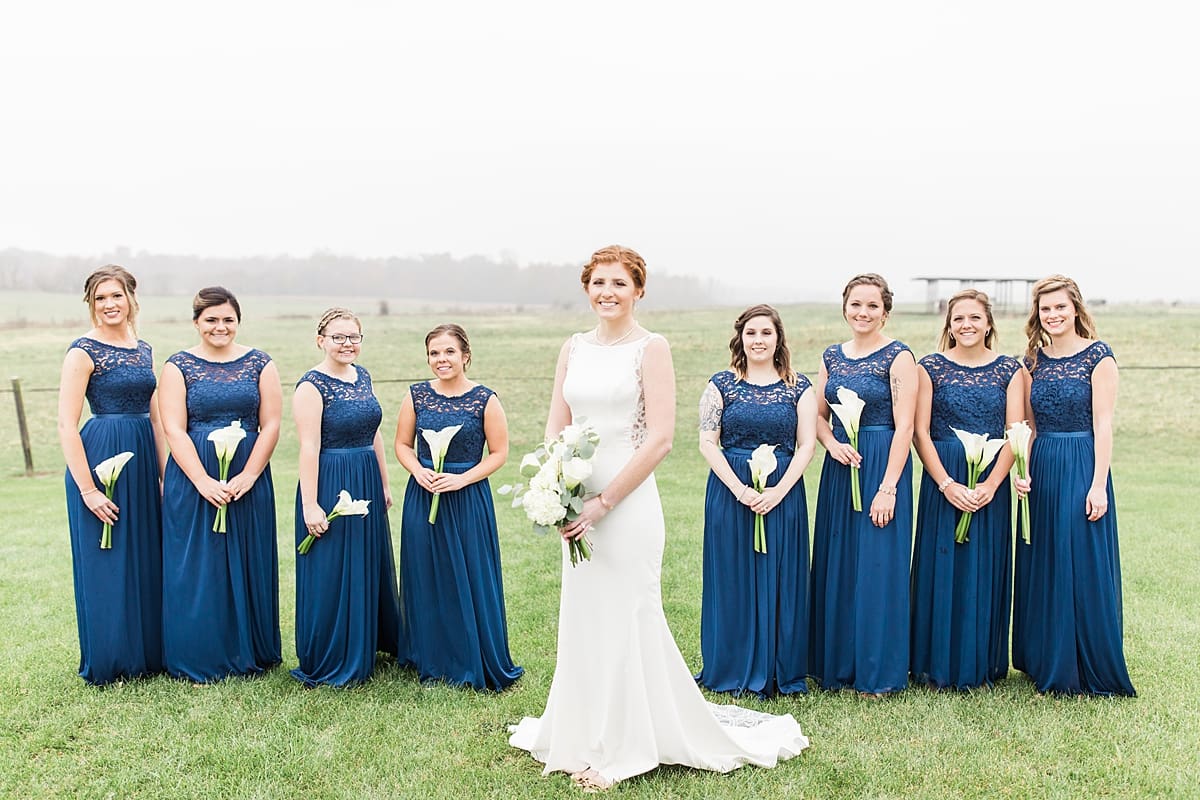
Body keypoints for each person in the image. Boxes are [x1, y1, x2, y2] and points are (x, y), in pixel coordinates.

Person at [509, 246, 809, 792]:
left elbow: (662, 438)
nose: (608, 292)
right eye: (598, 282)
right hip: (576, 498)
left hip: (627, 502)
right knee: (584, 615)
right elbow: (558, 421)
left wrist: (604, 502)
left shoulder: (652, 348)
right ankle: (580, 731)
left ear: (639, 290)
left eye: (620, 283)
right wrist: (556, 488)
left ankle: (627, 745)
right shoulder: (571, 347)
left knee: (628, 613)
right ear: (587, 288)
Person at [1011, 275, 1135, 696]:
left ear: (1076, 309)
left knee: (1080, 558)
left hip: (1083, 462)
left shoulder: (1098, 357)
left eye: (1060, 307)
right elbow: (1025, 424)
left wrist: (1098, 484)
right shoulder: (1032, 362)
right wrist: (1021, 471)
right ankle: (1045, 657)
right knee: (1043, 557)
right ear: (1038, 315)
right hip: (1043, 464)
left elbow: (1103, 424)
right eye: (1046, 309)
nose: (1053, 315)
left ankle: (1086, 663)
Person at [159, 287, 282, 682]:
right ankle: (200, 653)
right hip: (193, 477)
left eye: (228, 319)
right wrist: (202, 481)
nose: (220, 326)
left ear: (238, 321)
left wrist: (249, 474)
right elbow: (174, 429)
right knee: (197, 566)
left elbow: (272, 424)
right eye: (211, 319)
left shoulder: (261, 363)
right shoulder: (178, 366)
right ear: (196, 322)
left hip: (249, 476)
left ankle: (252, 650)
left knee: (249, 560)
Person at [694, 304, 817, 697]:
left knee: (780, 576)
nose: (759, 340)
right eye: (751, 333)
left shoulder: (799, 387)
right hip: (730, 492)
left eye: (766, 332)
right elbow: (707, 442)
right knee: (731, 578)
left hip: (784, 492)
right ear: (740, 338)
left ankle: (780, 668)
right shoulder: (720, 385)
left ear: (778, 338)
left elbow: (806, 445)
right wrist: (739, 489)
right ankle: (729, 664)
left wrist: (778, 491)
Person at [393, 323, 523, 691]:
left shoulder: (485, 399)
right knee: (426, 572)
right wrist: (418, 470)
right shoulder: (416, 396)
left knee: (468, 574)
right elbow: (402, 444)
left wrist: (462, 480)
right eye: (434, 353)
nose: (441, 359)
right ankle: (429, 654)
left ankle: (470, 655)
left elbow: (499, 453)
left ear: (465, 355)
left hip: (467, 496)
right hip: (424, 493)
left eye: (449, 352)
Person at [809, 273, 917, 697]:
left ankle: (879, 670)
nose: (863, 312)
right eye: (856, 304)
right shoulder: (831, 357)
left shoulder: (898, 356)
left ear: (885, 311)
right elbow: (817, 415)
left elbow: (905, 425)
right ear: (845, 308)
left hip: (881, 464)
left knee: (878, 566)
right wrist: (832, 443)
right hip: (841, 468)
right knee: (839, 563)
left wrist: (888, 486)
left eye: (872, 306)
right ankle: (835, 666)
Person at [909, 290, 1023, 690]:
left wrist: (992, 484)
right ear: (949, 326)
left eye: (975, 318)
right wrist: (945, 482)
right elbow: (920, 432)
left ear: (988, 323)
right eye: (958, 319)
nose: (967, 325)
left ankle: (982, 661)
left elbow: (1016, 432)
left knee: (982, 566)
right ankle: (932, 661)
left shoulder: (1010, 369)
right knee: (939, 566)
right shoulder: (930, 368)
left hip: (989, 478)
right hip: (943, 479)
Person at [57, 265, 165, 685]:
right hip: (101, 457)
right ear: (91, 304)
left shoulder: (145, 349)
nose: (109, 305)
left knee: (145, 555)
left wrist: (161, 477)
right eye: (100, 298)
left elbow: (155, 421)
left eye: (115, 296)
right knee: (107, 559)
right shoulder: (83, 351)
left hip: (141, 456)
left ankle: (148, 655)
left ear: (131, 299)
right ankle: (111, 659)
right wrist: (87, 489)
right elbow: (67, 424)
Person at [291, 308, 400, 687]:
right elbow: (308, 446)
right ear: (320, 340)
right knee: (332, 569)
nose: (347, 344)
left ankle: (368, 642)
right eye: (338, 337)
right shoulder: (311, 386)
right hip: (331, 480)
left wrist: (384, 484)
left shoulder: (363, 376)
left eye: (353, 337)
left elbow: (375, 433)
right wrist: (310, 503)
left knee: (366, 563)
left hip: (366, 477)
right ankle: (332, 654)